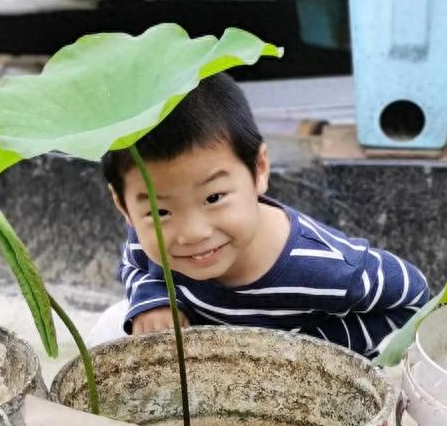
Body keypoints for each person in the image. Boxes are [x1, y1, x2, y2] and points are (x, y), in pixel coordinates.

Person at [91, 73, 428, 358]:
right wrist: (154, 301)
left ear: (259, 169)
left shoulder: (326, 267)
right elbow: (135, 263)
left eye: (213, 197)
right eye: (160, 211)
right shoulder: (150, 236)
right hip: (208, 358)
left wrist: (314, 347)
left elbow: (413, 299)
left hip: (295, 376)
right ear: (124, 206)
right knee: (110, 326)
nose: (191, 233)